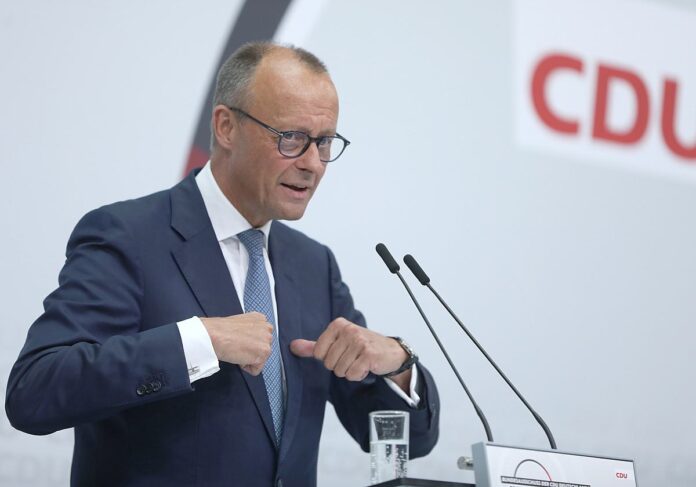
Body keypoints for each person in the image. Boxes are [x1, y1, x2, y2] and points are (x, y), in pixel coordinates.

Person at [5, 42, 439, 487]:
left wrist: (398, 365)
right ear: (226, 126)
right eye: (291, 138)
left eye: (324, 141)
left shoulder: (314, 265)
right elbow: (35, 392)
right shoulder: (128, 236)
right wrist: (200, 341)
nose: (313, 164)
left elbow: (410, 438)